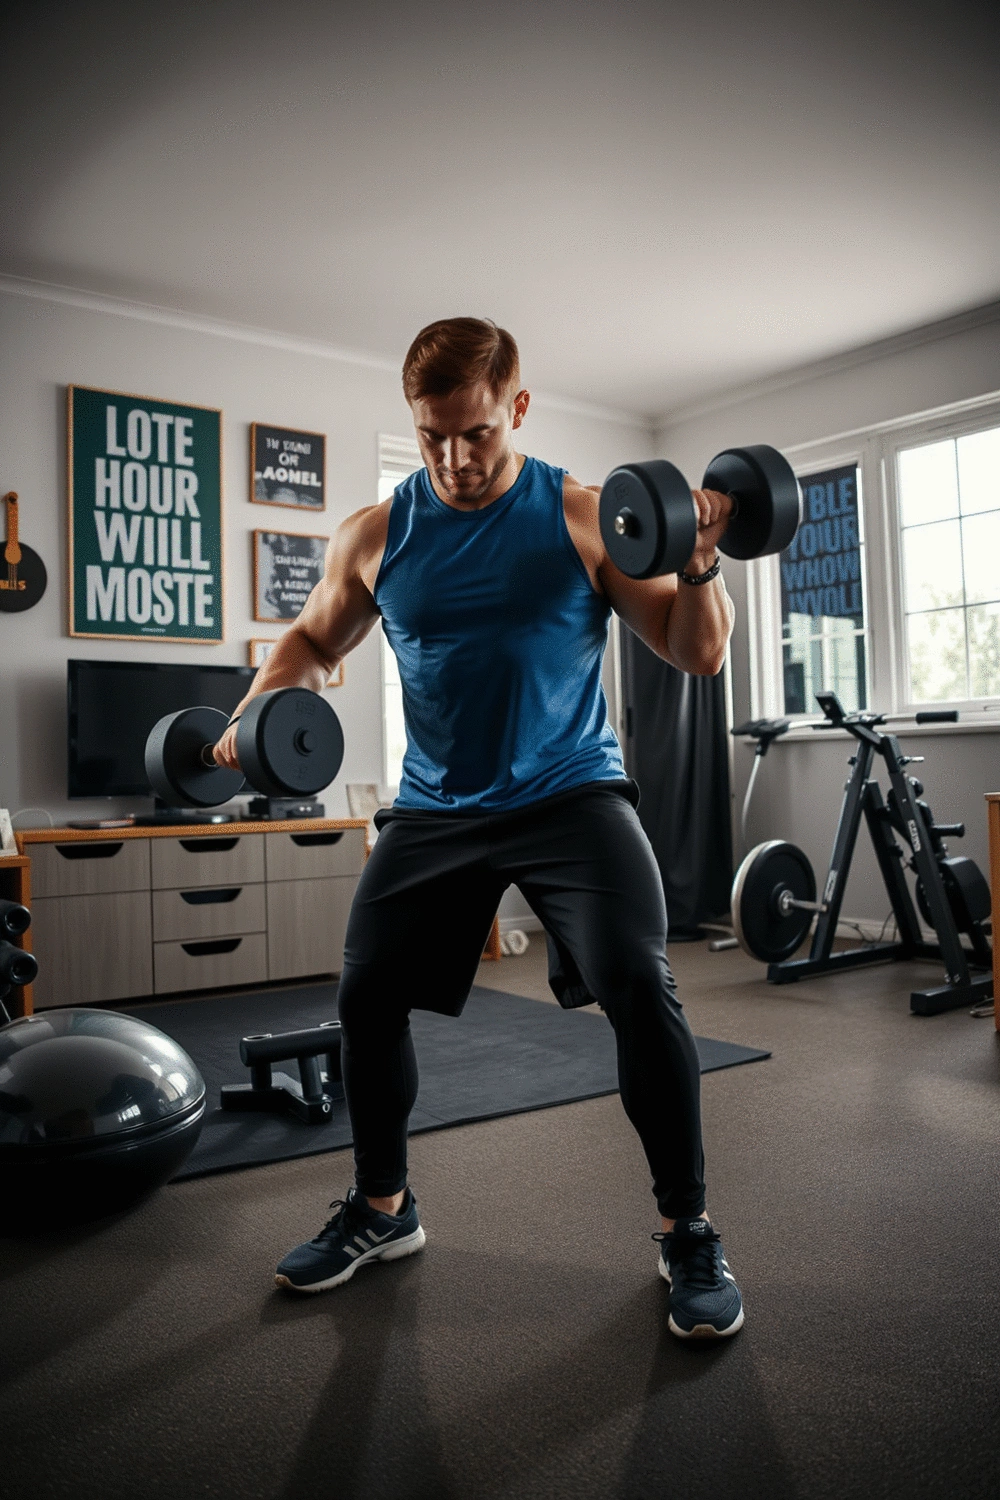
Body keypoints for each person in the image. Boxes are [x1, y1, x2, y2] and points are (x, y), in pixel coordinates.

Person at [215, 318, 743, 1339]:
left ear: (517, 409)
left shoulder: (585, 515)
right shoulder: (377, 534)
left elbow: (693, 653)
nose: (454, 458)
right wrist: (252, 714)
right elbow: (313, 640)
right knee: (365, 990)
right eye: (430, 437)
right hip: (436, 807)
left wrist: (703, 564)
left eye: (475, 433)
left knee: (640, 981)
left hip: (569, 794)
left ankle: (688, 1228)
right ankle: (383, 1208)